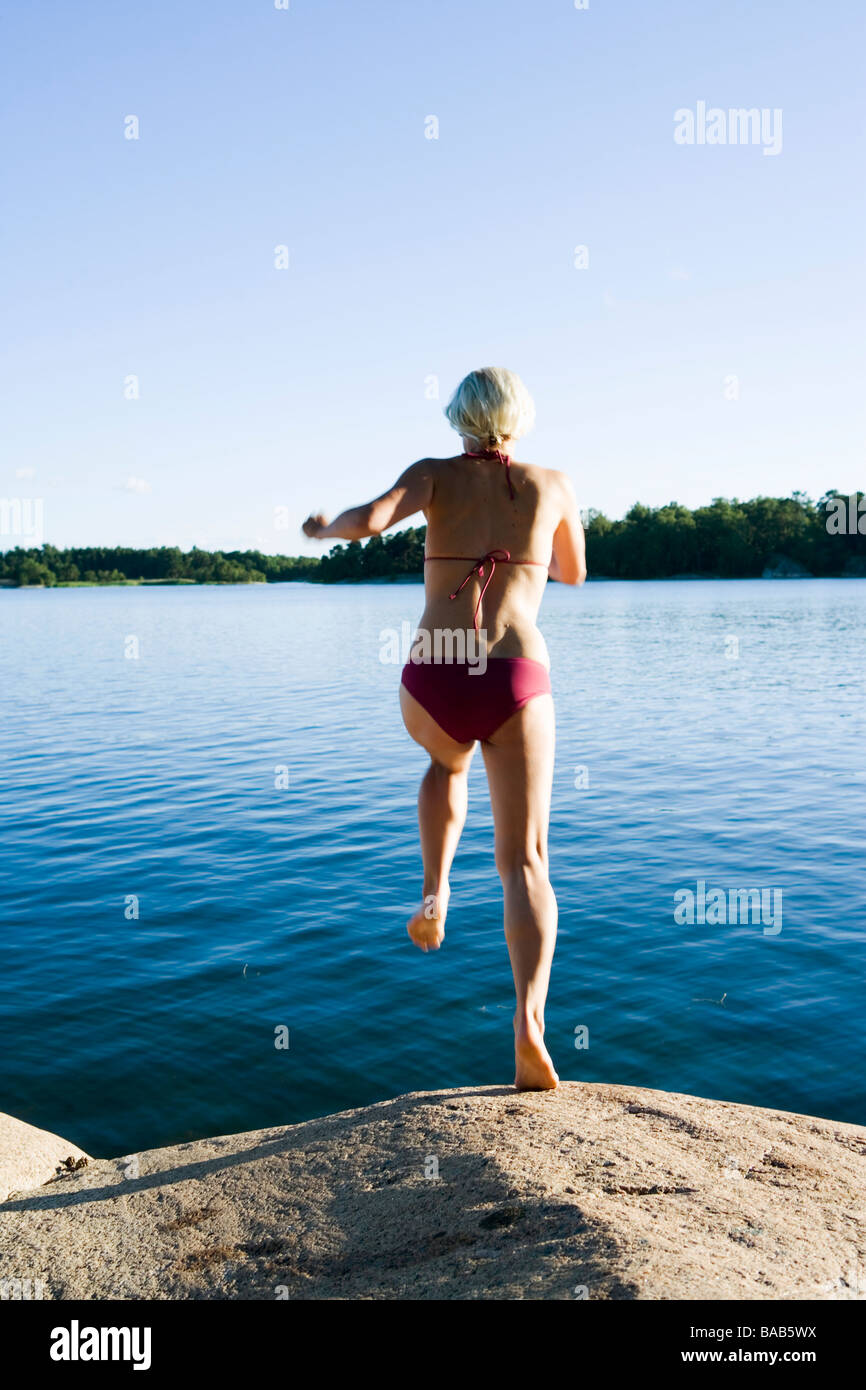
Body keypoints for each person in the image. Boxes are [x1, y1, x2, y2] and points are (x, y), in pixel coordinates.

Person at [303, 367, 586, 1089]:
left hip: (434, 671)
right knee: (525, 860)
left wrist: (322, 526)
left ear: (458, 417)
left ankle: (434, 893)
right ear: (520, 418)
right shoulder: (553, 481)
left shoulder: (432, 475)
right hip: (517, 674)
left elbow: (365, 522)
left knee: (446, 766)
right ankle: (529, 1020)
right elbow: (574, 573)